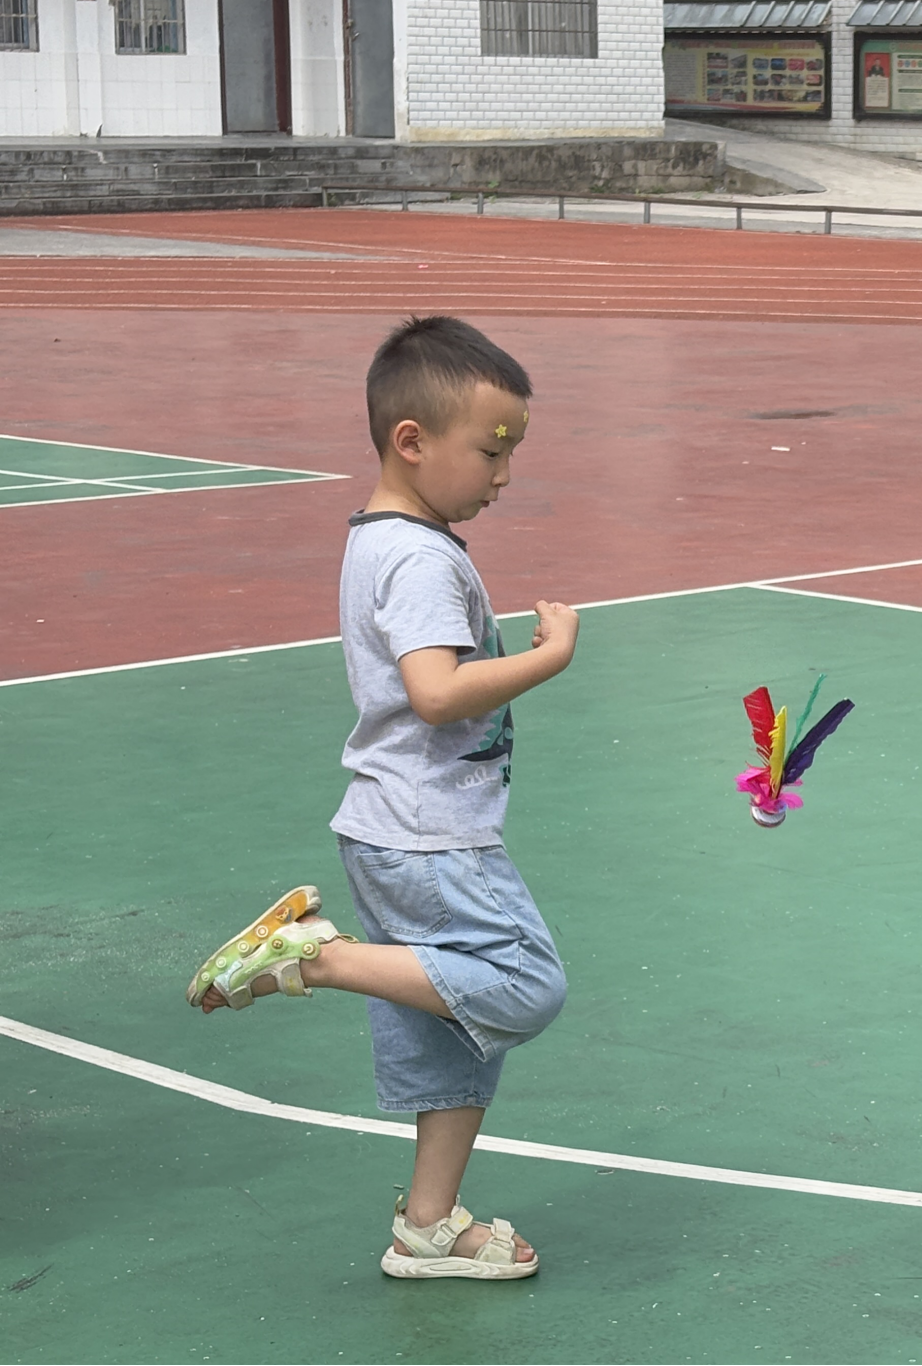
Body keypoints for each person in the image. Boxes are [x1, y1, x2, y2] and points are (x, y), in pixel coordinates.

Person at [185, 315, 579, 1282]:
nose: (504, 474)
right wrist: (547, 659)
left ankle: (428, 1226)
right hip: (429, 834)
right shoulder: (421, 558)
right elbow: (435, 693)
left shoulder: (385, 540)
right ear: (412, 440)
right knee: (524, 984)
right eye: (491, 450)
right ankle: (316, 958)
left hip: (394, 829)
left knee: (456, 1034)